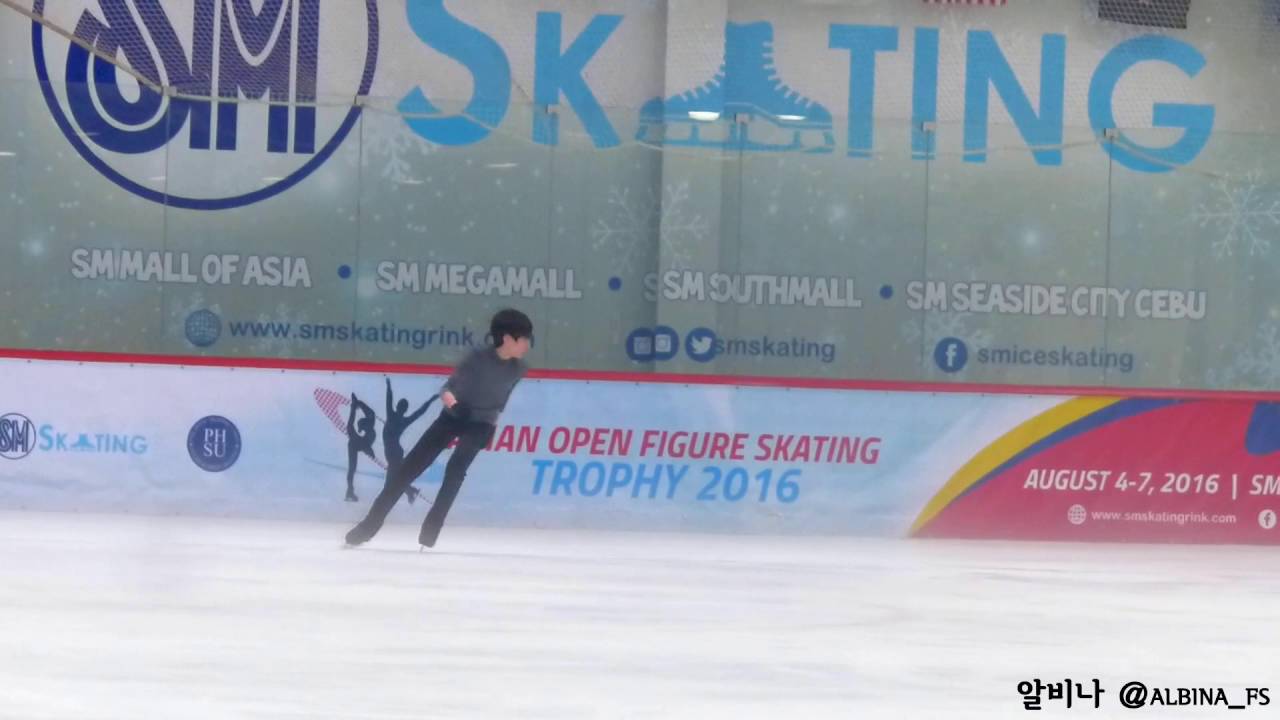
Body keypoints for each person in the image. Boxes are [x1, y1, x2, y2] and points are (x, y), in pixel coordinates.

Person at [344, 309, 532, 548]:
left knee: (456, 471)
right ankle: (368, 526)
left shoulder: (519, 369)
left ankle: (432, 528)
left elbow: (501, 400)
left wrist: (491, 426)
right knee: (407, 470)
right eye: (524, 338)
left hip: (481, 425)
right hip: (453, 416)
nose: (527, 344)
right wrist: (456, 405)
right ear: (507, 338)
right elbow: (446, 389)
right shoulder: (477, 359)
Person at [344, 394, 377, 502]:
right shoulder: (356, 435)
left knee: (352, 469)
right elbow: (351, 421)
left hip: (360, 443)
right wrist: (354, 407)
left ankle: (350, 491)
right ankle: (350, 491)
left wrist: (358, 403)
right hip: (355, 445)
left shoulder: (370, 427)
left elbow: (371, 414)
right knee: (352, 468)